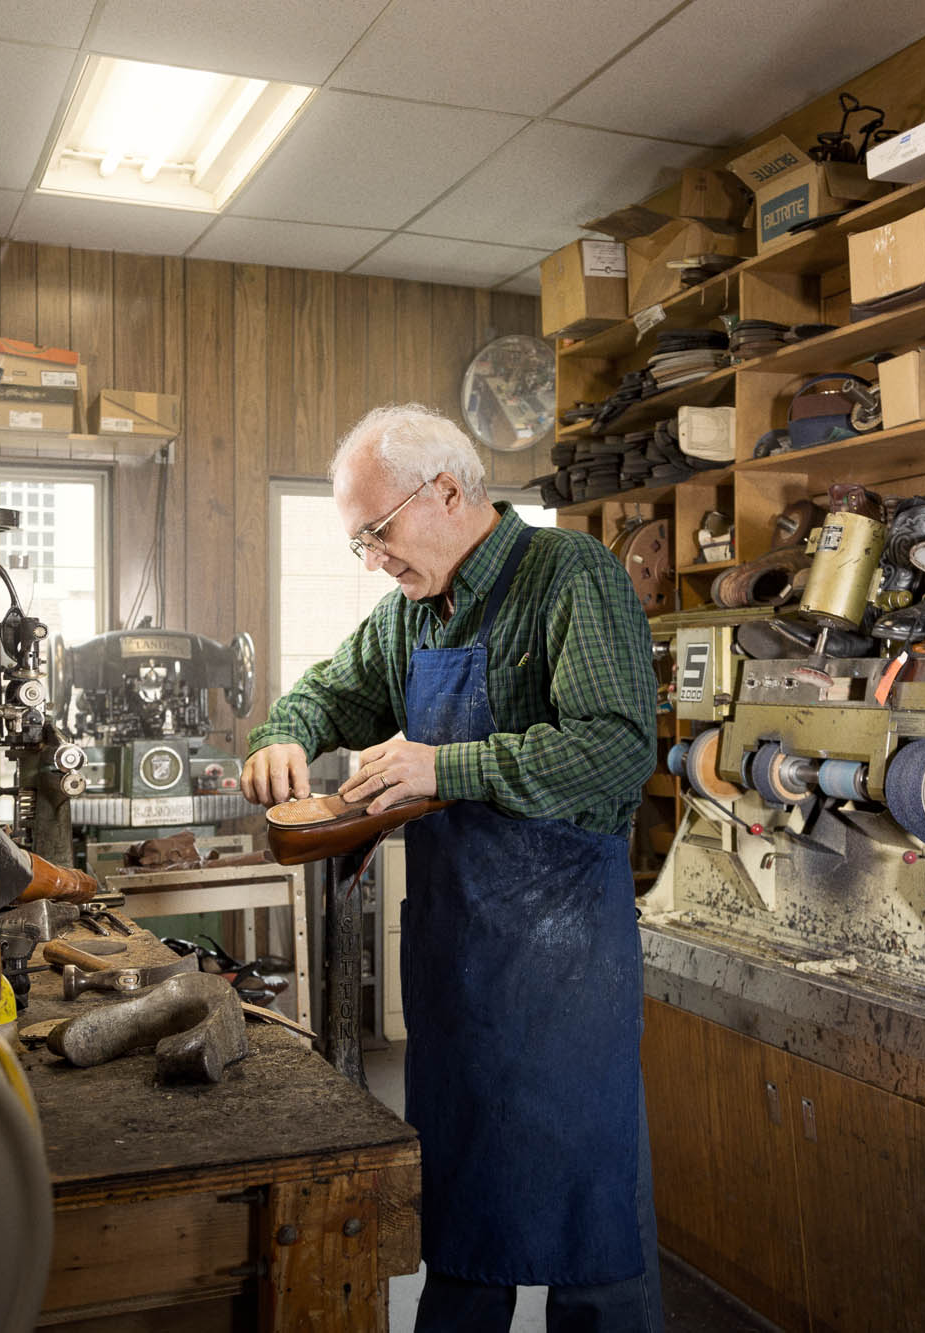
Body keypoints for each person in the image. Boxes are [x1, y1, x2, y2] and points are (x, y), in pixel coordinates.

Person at [243, 403, 664, 1331]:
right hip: (458, 966)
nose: (372, 560)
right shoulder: (411, 617)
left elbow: (617, 748)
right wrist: (284, 735)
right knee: (465, 1224)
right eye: (359, 543)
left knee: (592, 1233)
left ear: (444, 491)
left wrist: (446, 765)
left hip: (565, 972)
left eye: (376, 533)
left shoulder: (571, 575)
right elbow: (328, 691)